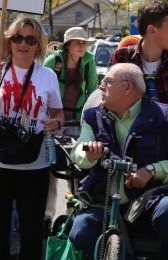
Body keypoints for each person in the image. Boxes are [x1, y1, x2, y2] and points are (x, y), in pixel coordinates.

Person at [68, 63, 168, 259]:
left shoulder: (165, 118)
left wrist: (152, 170)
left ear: (127, 87)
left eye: (107, 81)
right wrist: (88, 155)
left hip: (150, 202)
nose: (101, 87)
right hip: (105, 205)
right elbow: (78, 151)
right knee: (80, 228)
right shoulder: (93, 117)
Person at [0, 16, 64, 260]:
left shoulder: (47, 75)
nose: (23, 44)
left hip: (34, 162)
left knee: (31, 234)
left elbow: (57, 111)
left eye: (30, 39)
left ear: (38, 44)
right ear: (9, 41)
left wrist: (56, 122)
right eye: (17, 37)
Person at [109, 0, 168, 155]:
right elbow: (109, 106)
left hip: (167, 146)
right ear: (152, 30)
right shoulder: (122, 57)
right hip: (126, 145)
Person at [42, 26, 98, 231]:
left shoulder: (88, 61)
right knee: (51, 169)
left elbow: (92, 94)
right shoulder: (53, 62)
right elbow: (44, 93)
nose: (82, 46)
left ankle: (73, 215)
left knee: (77, 170)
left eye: (84, 42)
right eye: (77, 42)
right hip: (53, 124)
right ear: (67, 46)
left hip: (78, 123)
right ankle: (47, 217)